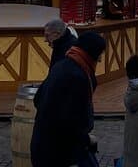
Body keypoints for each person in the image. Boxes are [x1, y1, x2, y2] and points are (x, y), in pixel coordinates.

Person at [31, 31, 106, 167]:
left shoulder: (63, 64)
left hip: (43, 145)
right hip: (57, 153)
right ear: (92, 53)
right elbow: (68, 121)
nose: (100, 59)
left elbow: (37, 99)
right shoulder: (77, 76)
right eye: (100, 53)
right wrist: (86, 139)